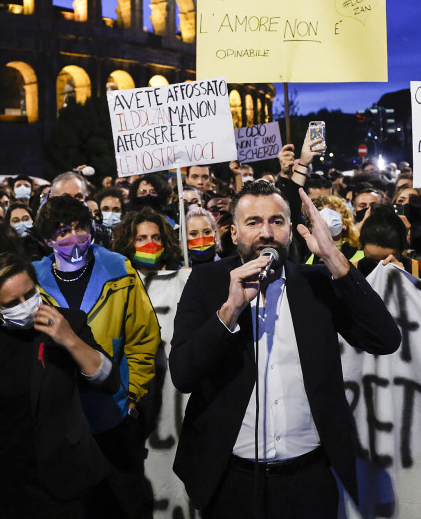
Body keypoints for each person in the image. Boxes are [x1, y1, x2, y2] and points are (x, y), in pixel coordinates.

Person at [169, 180, 401, 519]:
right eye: (253, 222)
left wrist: (333, 257)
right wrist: (229, 311)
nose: (266, 232)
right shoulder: (206, 282)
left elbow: (385, 339)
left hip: (309, 479)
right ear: (234, 233)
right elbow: (183, 374)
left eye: (277, 221)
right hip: (230, 481)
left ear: (291, 231)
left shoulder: (317, 281)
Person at [0, 253, 119, 519]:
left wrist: (70, 340)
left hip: (59, 482)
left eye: (29, 294)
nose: (25, 305)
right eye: (13, 302)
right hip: (0, 483)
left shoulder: (68, 322)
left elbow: (108, 381)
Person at [32, 194, 160, 519]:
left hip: (112, 414)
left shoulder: (119, 269)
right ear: (48, 239)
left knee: (122, 505)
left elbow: (143, 339)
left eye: (78, 227)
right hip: (58, 422)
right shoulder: (32, 280)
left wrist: (133, 399)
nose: (73, 237)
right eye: (62, 231)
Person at [111, 208, 183, 273]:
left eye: (156, 238)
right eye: (141, 239)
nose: (150, 243)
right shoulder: (118, 280)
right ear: (127, 243)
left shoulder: (179, 275)